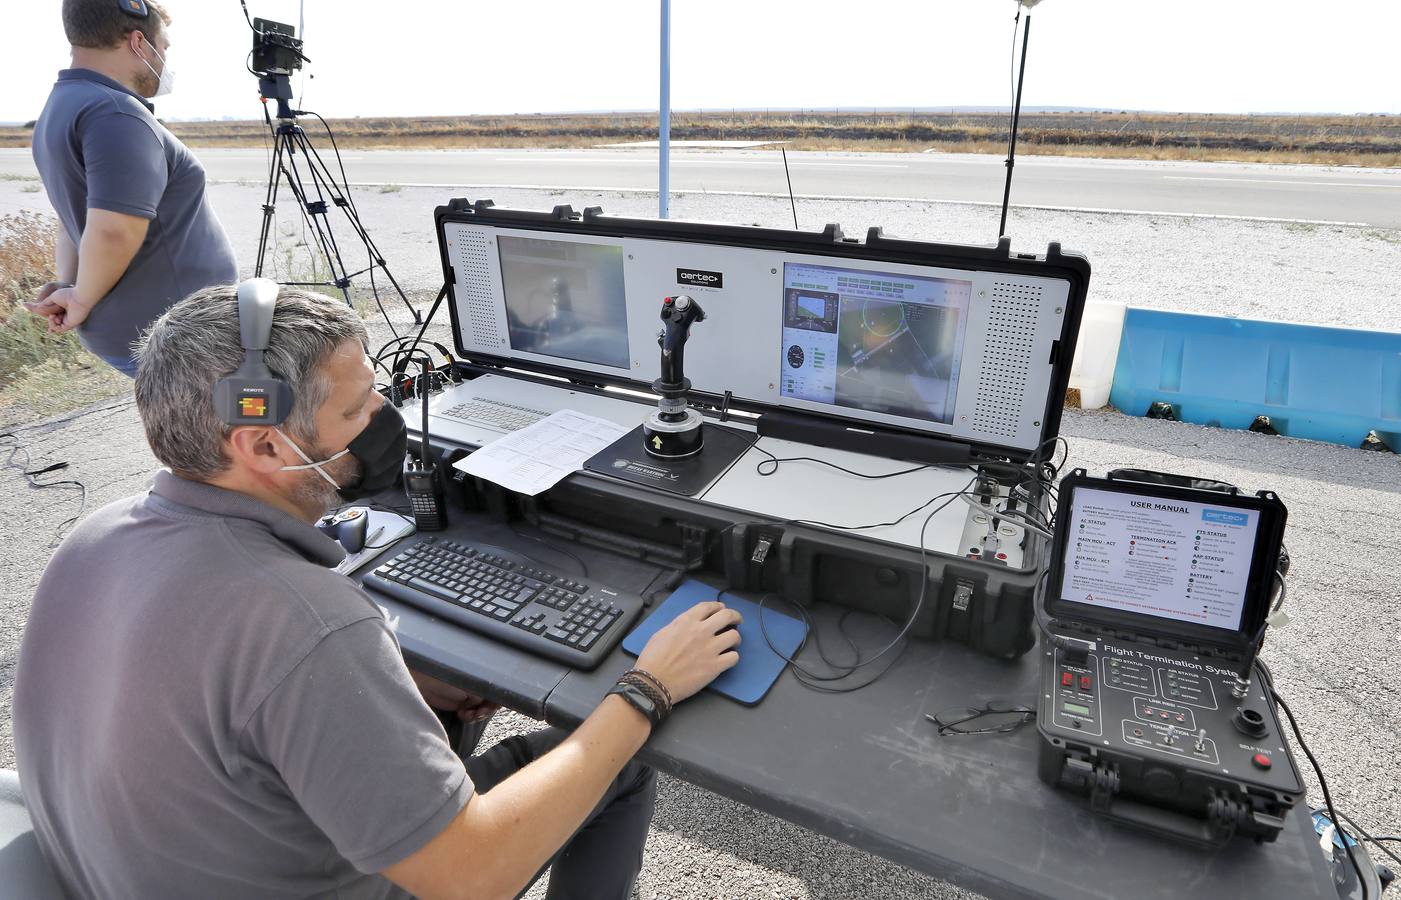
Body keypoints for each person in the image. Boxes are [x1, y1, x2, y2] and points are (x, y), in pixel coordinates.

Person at [13, 284, 742, 899]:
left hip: (132, 874)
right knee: (620, 759)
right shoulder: (307, 623)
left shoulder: (94, 538)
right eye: (358, 409)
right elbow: (468, 877)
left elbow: (210, 699)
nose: (383, 423)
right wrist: (646, 689)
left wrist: (402, 683)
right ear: (264, 443)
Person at [24, 0, 237, 376]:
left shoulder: (62, 105)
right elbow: (113, 230)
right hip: (183, 338)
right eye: (164, 47)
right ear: (140, 43)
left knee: (195, 430)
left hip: (153, 332)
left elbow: (73, 220)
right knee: (249, 428)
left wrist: (71, 283)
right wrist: (80, 297)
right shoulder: (115, 113)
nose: (165, 61)